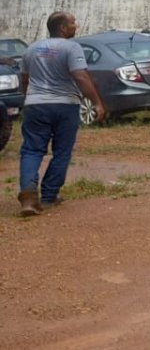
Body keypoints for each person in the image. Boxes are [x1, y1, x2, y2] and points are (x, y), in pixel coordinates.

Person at [17, 11, 106, 216]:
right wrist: (96, 103)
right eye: (73, 23)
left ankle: (29, 197)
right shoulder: (72, 47)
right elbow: (80, 76)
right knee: (62, 151)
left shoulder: (31, 49)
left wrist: (29, 98)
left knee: (31, 150)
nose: (76, 25)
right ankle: (49, 195)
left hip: (35, 105)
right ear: (63, 28)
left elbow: (24, 79)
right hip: (65, 105)